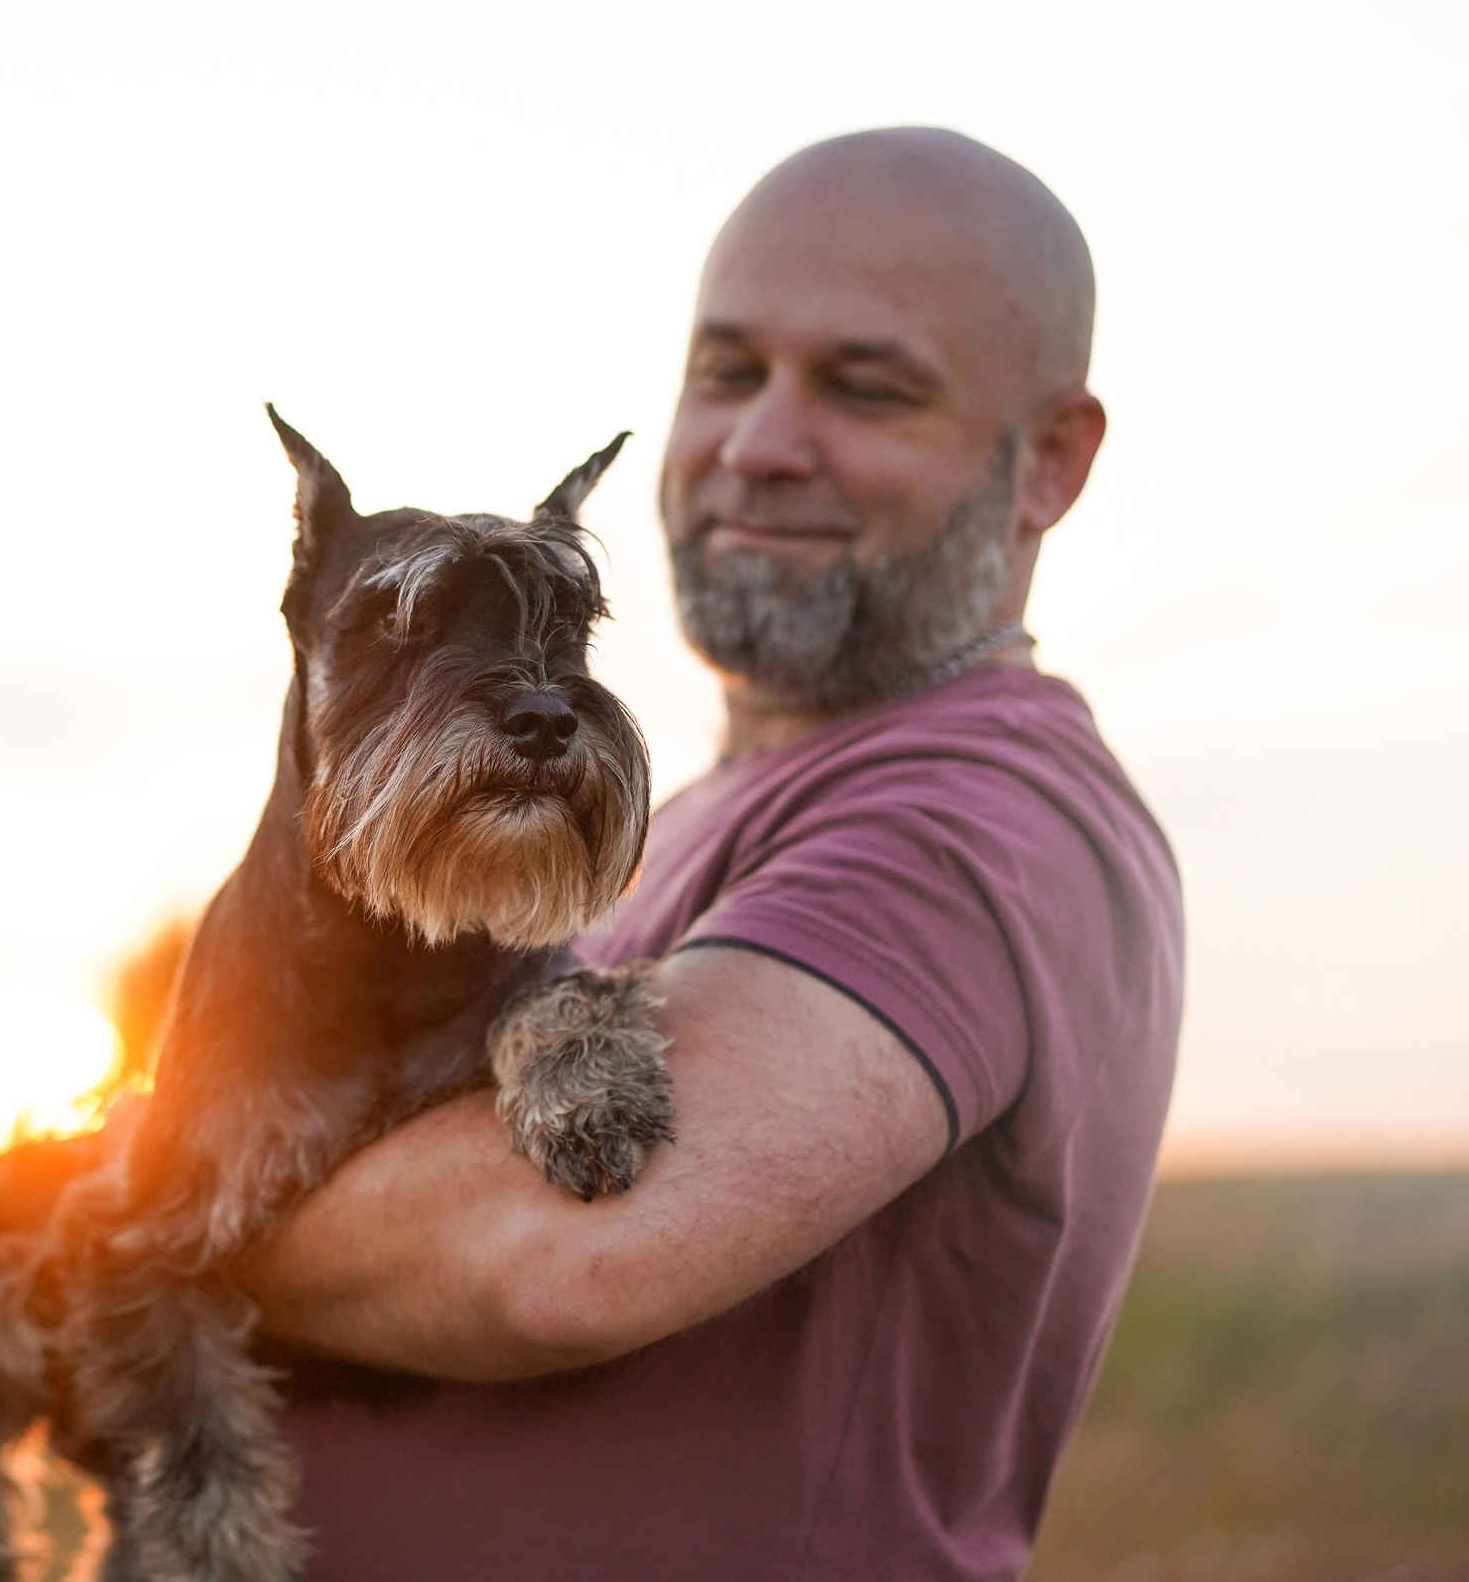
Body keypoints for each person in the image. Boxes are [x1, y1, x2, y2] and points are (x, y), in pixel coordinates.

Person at [238, 127, 1185, 1580]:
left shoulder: (974, 813)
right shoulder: (669, 818)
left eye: (866, 387)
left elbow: (562, 1256)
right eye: (726, 373)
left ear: (1049, 461)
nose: (758, 445)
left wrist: (133, 1208)